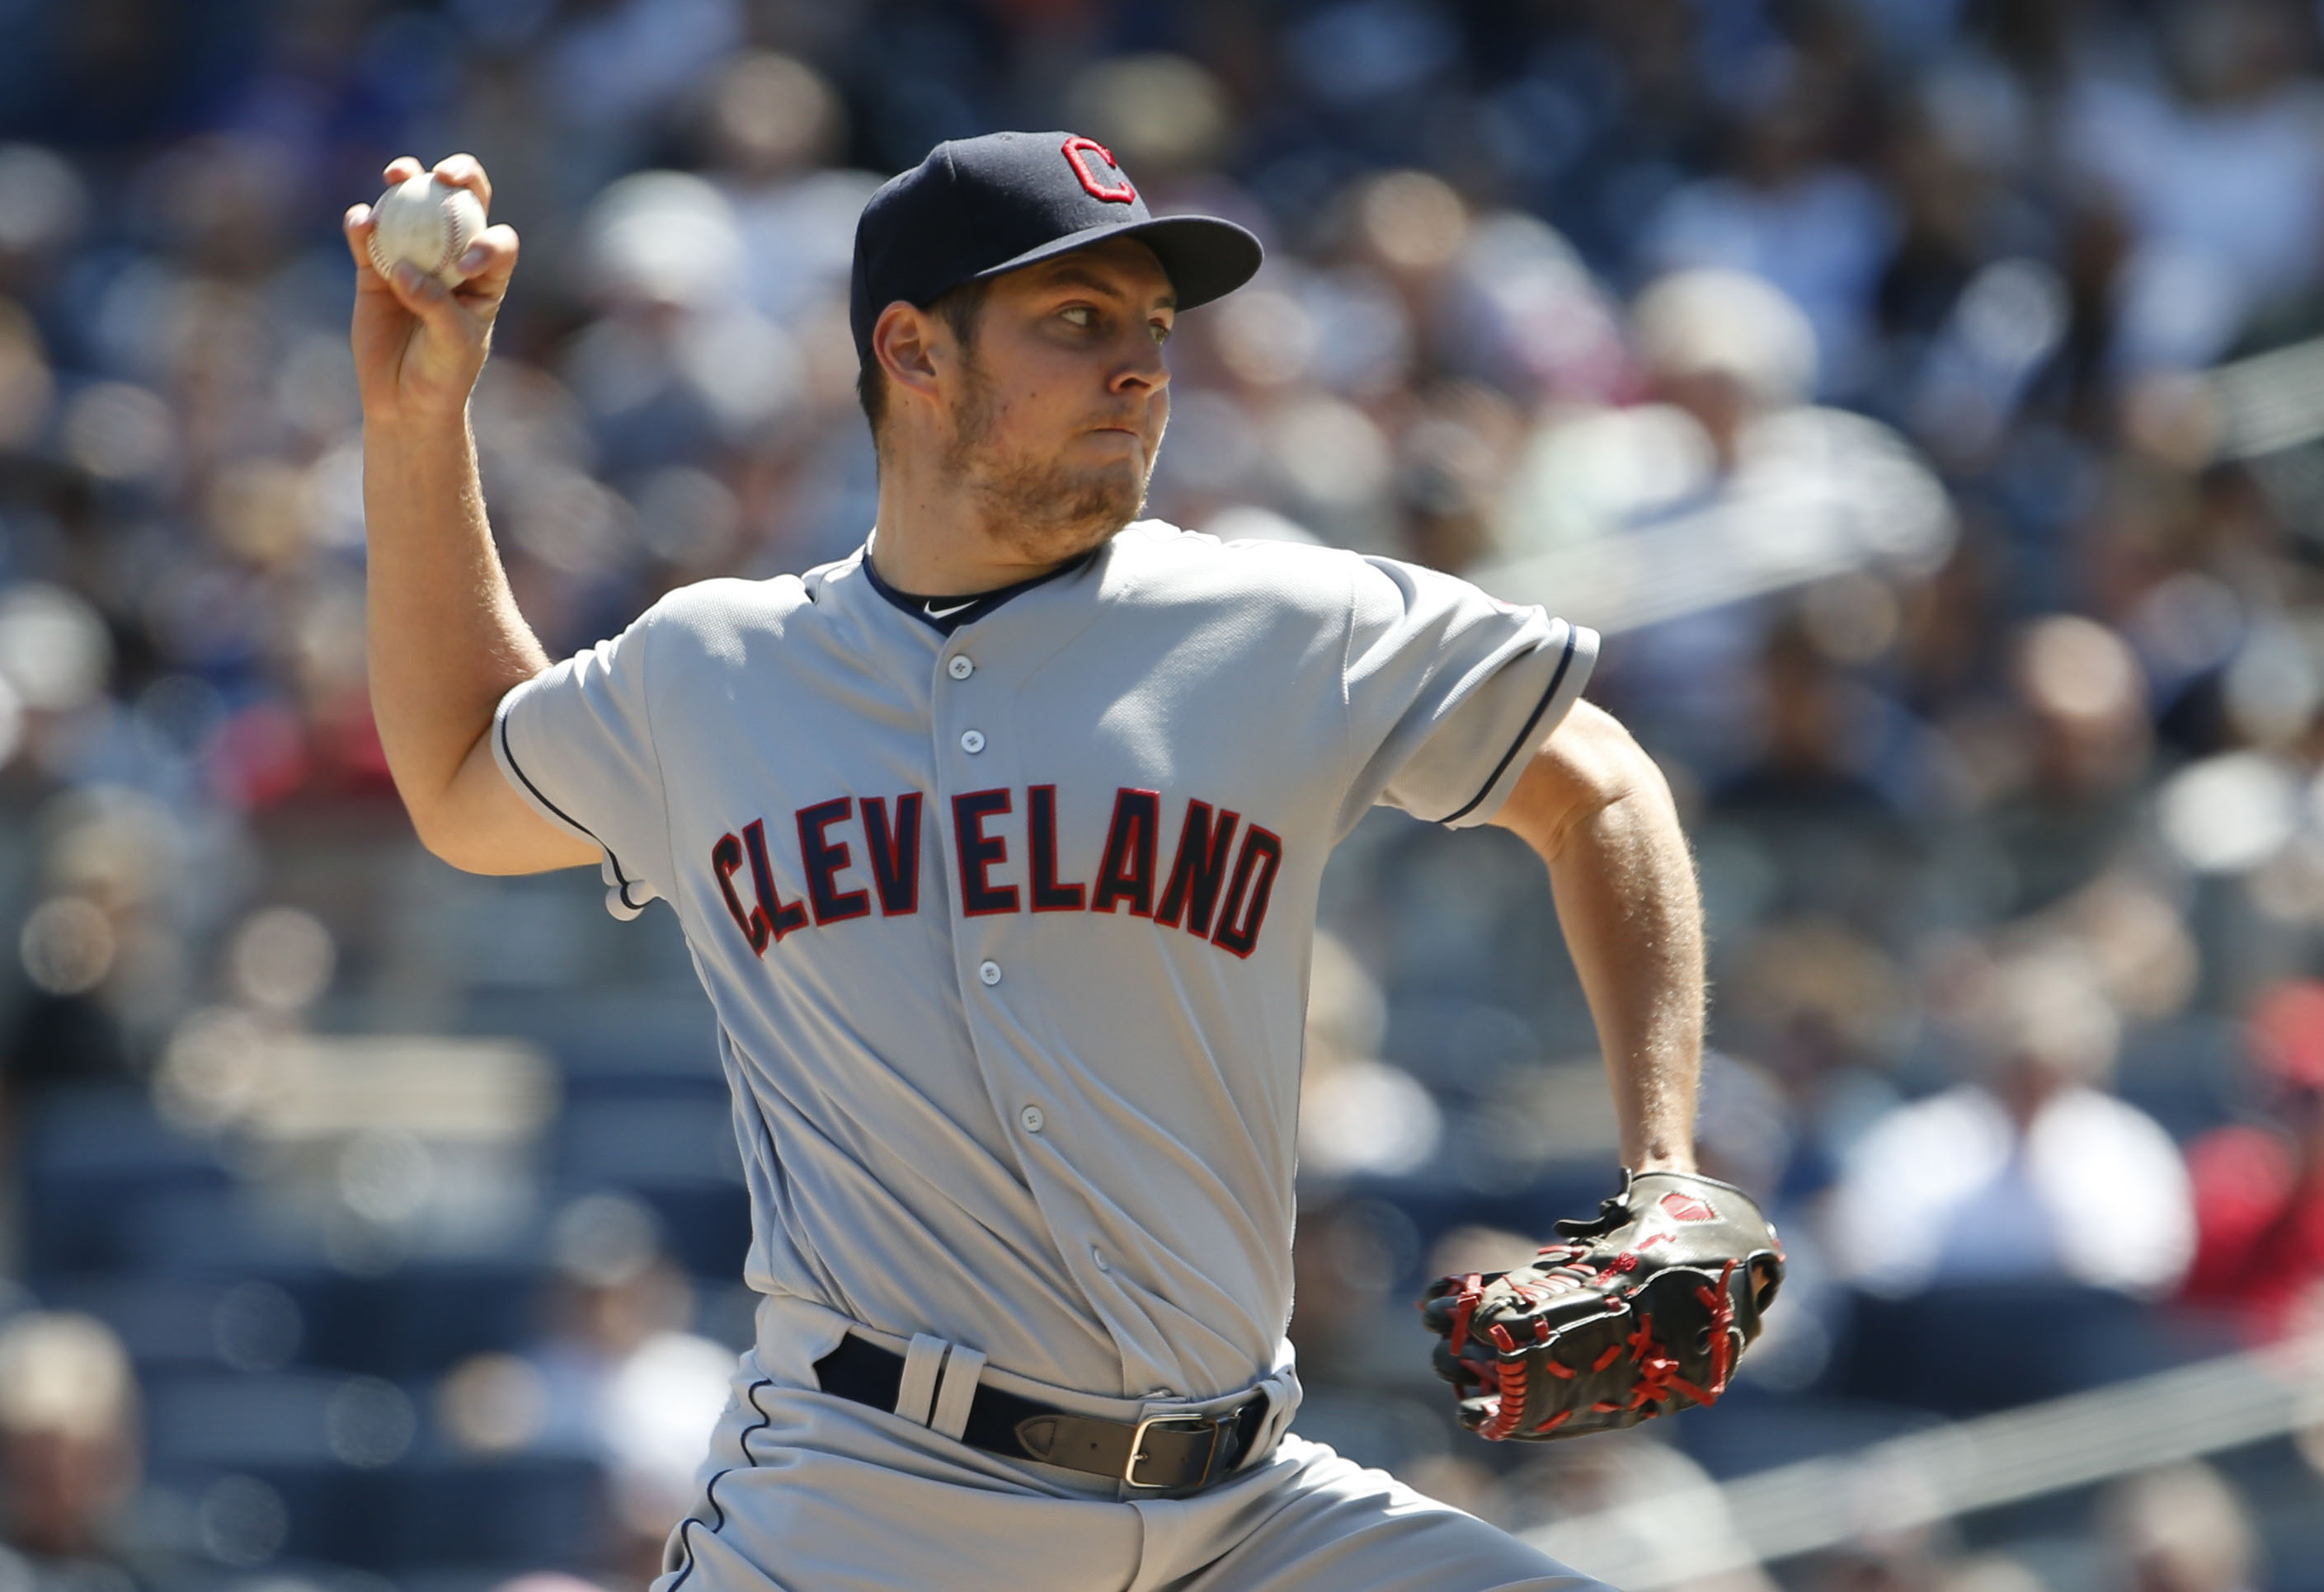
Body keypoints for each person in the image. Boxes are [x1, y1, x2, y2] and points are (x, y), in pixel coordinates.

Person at [344, 131, 1708, 1591]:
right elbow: (462, 778)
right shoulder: (714, 671)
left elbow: (1601, 785)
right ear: (912, 350)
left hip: (1249, 1507)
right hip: (871, 1503)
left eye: (1155, 329)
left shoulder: (1278, 620)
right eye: (1078, 321)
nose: (1142, 368)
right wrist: (420, 420)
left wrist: (1668, 1167)